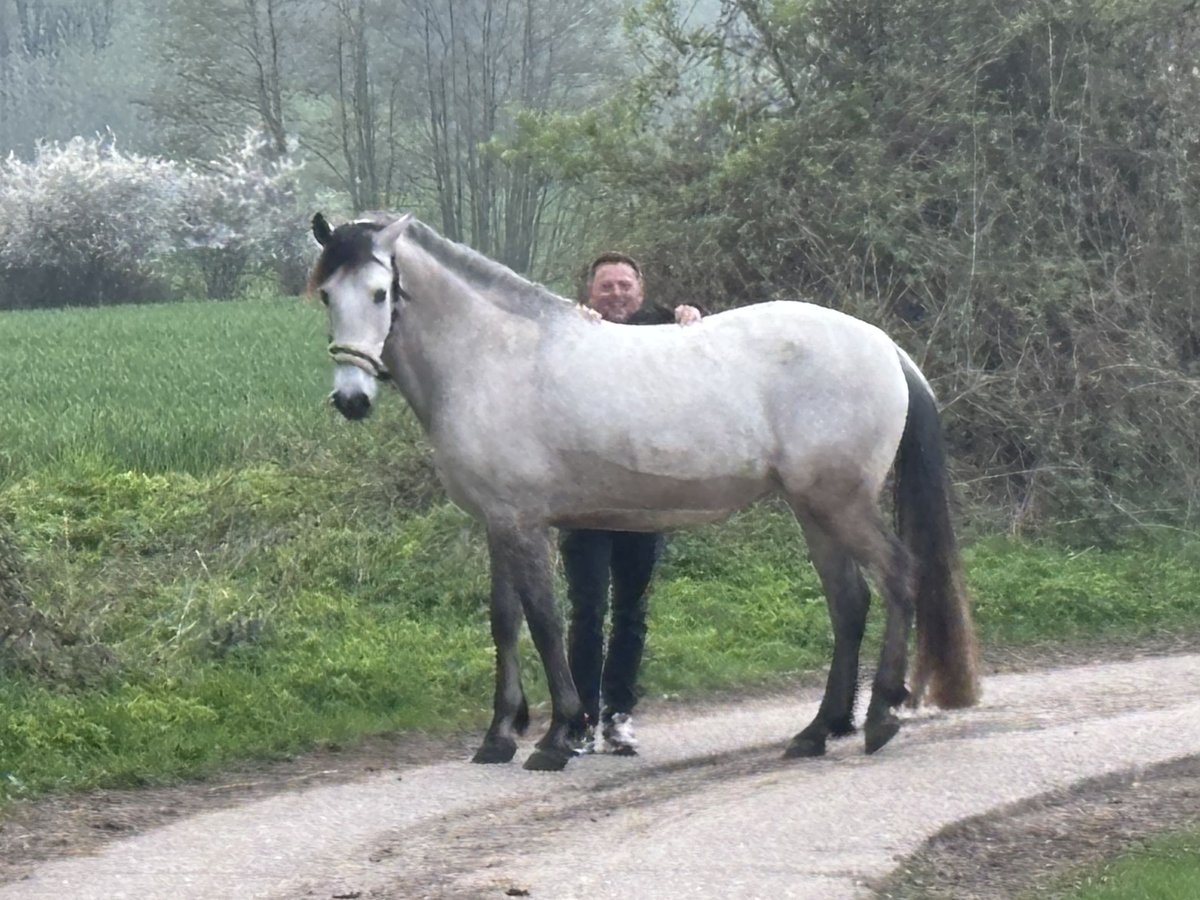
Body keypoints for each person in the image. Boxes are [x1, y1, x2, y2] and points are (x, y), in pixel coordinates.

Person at [562, 252, 701, 755]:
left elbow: (699, 364)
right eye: (606, 286)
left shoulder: (662, 327)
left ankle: (618, 716)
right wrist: (574, 325)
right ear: (589, 293)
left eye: (625, 286)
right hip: (587, 499)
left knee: (631, 612)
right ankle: (576, 718)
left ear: (641, 294)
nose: (616, 294)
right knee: (587, 609)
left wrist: (689, 319)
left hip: (643, 498)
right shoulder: (572, 330)